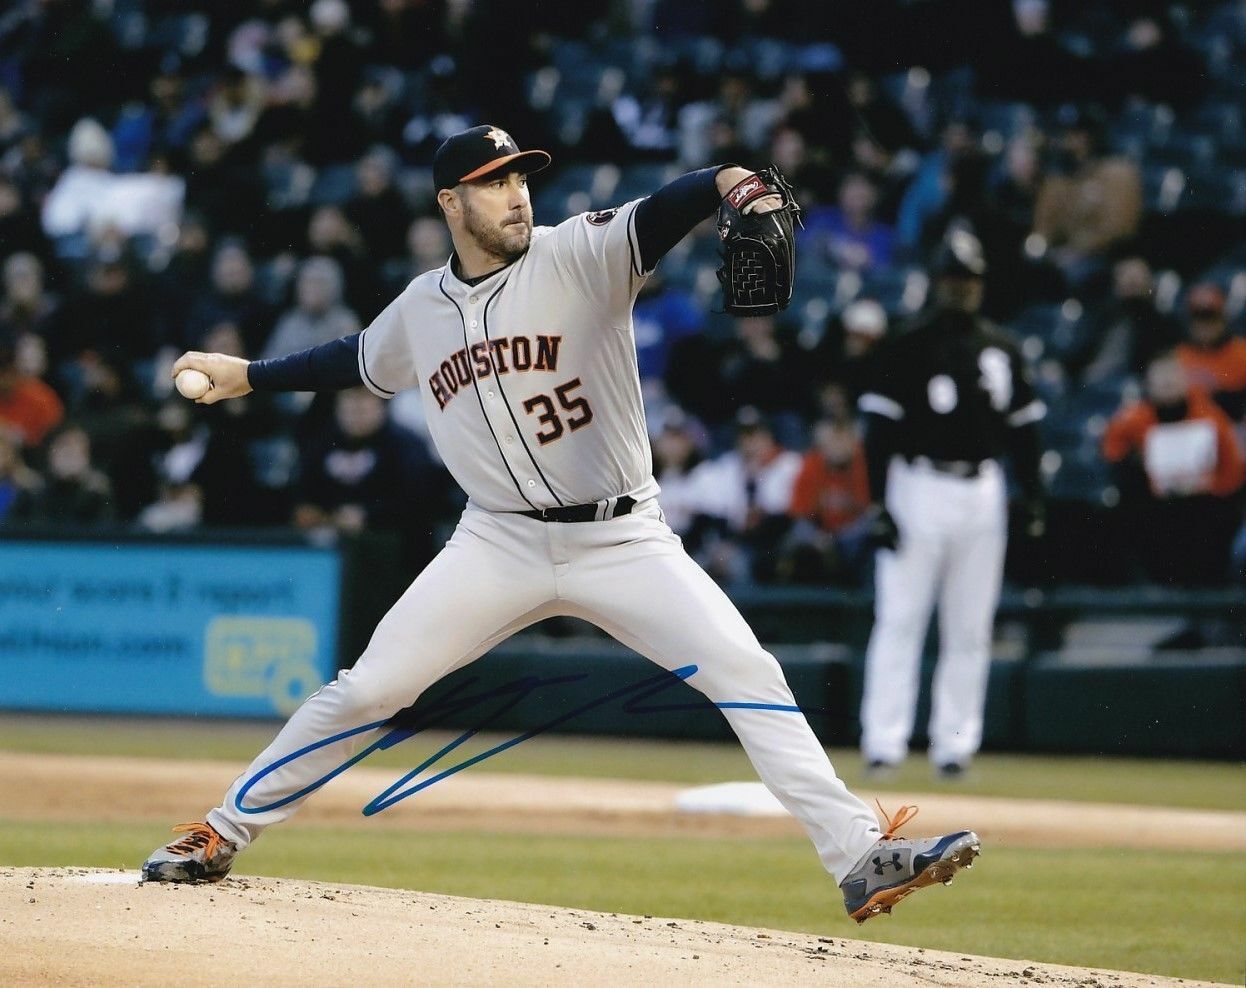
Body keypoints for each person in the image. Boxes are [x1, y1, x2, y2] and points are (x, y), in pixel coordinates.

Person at [143, 124, 980, 923]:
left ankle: (861, 857)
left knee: (745, 670)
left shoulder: (580, 252)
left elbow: (671, 206)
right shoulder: (420, 309)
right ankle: (220, 829)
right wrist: (247, 375)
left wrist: (729, 180)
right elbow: (354, 359)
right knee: (367, 690)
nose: (514, 195)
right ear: (448, 204)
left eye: (518, 178)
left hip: (621, 537)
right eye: (491, 182)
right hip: (496, 541)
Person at [856, 230, 1046, 779]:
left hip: (983, 490)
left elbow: (1027, 431)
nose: (960, 289)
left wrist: (1033, 496)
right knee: (900, 618)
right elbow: (878, 433)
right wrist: (878, 504)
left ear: (981, 285)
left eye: (968, 279)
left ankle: (954, 746)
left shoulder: (1003, 348)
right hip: (917, 485)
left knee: (969, 626)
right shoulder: (907, 344)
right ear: (936, 282)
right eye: (952, 278)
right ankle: (884, 742)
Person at [1101, 351, 1244, 586]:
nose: (1167, 382)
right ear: (1149, 382)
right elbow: (1112, 450)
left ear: (1184, 379)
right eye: (1160, 376)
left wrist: (1211, 486)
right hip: (1154, 505)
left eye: (1172, 375)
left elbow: (1233, 470)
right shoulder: (1134, 419)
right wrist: (1137, 462)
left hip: (1202, 505)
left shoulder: (1210, 417)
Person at [1175, 283, 1246, 422]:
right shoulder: (1177, 356)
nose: (1204, 325)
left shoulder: (1242, 351)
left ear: (1223, 318)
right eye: (1198, 317)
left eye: (1210, 316)